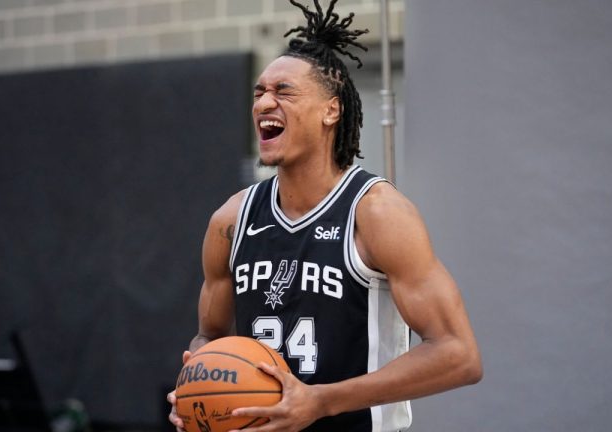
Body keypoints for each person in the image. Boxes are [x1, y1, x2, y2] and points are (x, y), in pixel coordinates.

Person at [168, 1, 482, 430]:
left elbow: (458, 354)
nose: (264, 102)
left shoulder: (377, 213)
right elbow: (210, 337)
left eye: (284, 91)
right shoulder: (230, 220)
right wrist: (196, 387)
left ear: (331, 111)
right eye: (259, 92)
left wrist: (320, 401)